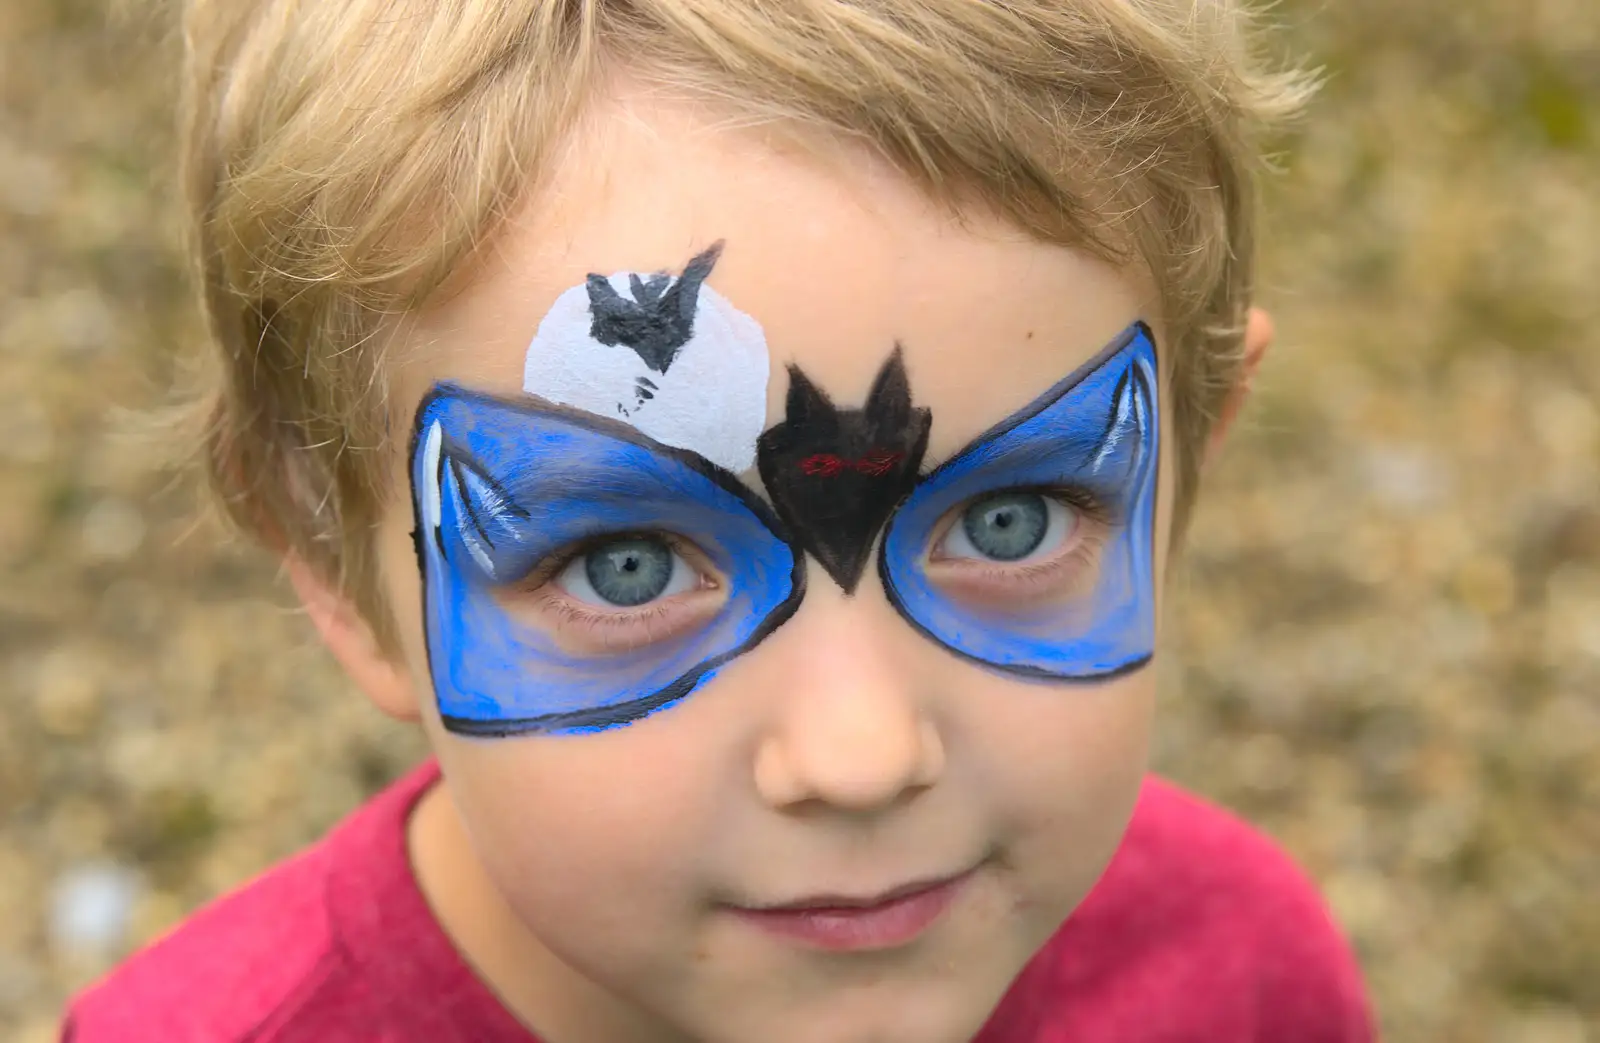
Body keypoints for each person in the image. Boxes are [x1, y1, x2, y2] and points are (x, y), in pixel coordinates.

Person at [63, 1, 1373, 1040]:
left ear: (1186, 467)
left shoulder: (1242, 982)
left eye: (1013, 519)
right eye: (623, 566)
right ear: (327, 562)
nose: (859, 756)